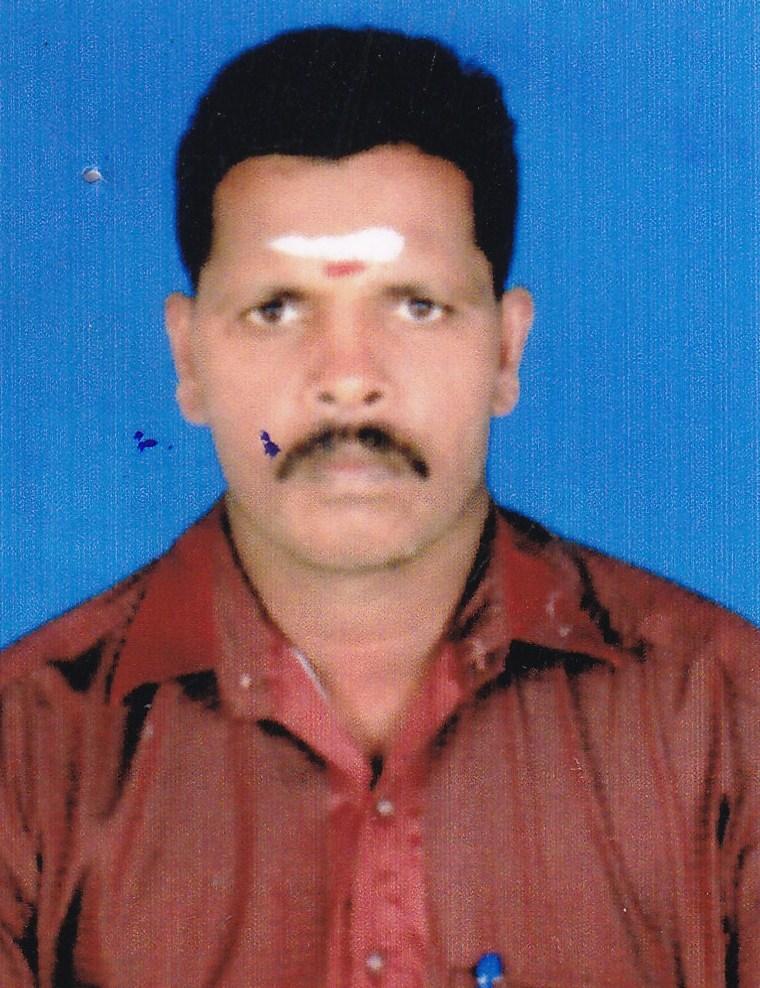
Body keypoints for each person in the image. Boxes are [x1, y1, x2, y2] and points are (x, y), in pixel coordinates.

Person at [0, 25, 757, 988]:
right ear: (188, 358)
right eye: (278, 308)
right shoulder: (26, 752)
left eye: (415, 306)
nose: (348, 378)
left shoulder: (727, 721)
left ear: (506, 350)